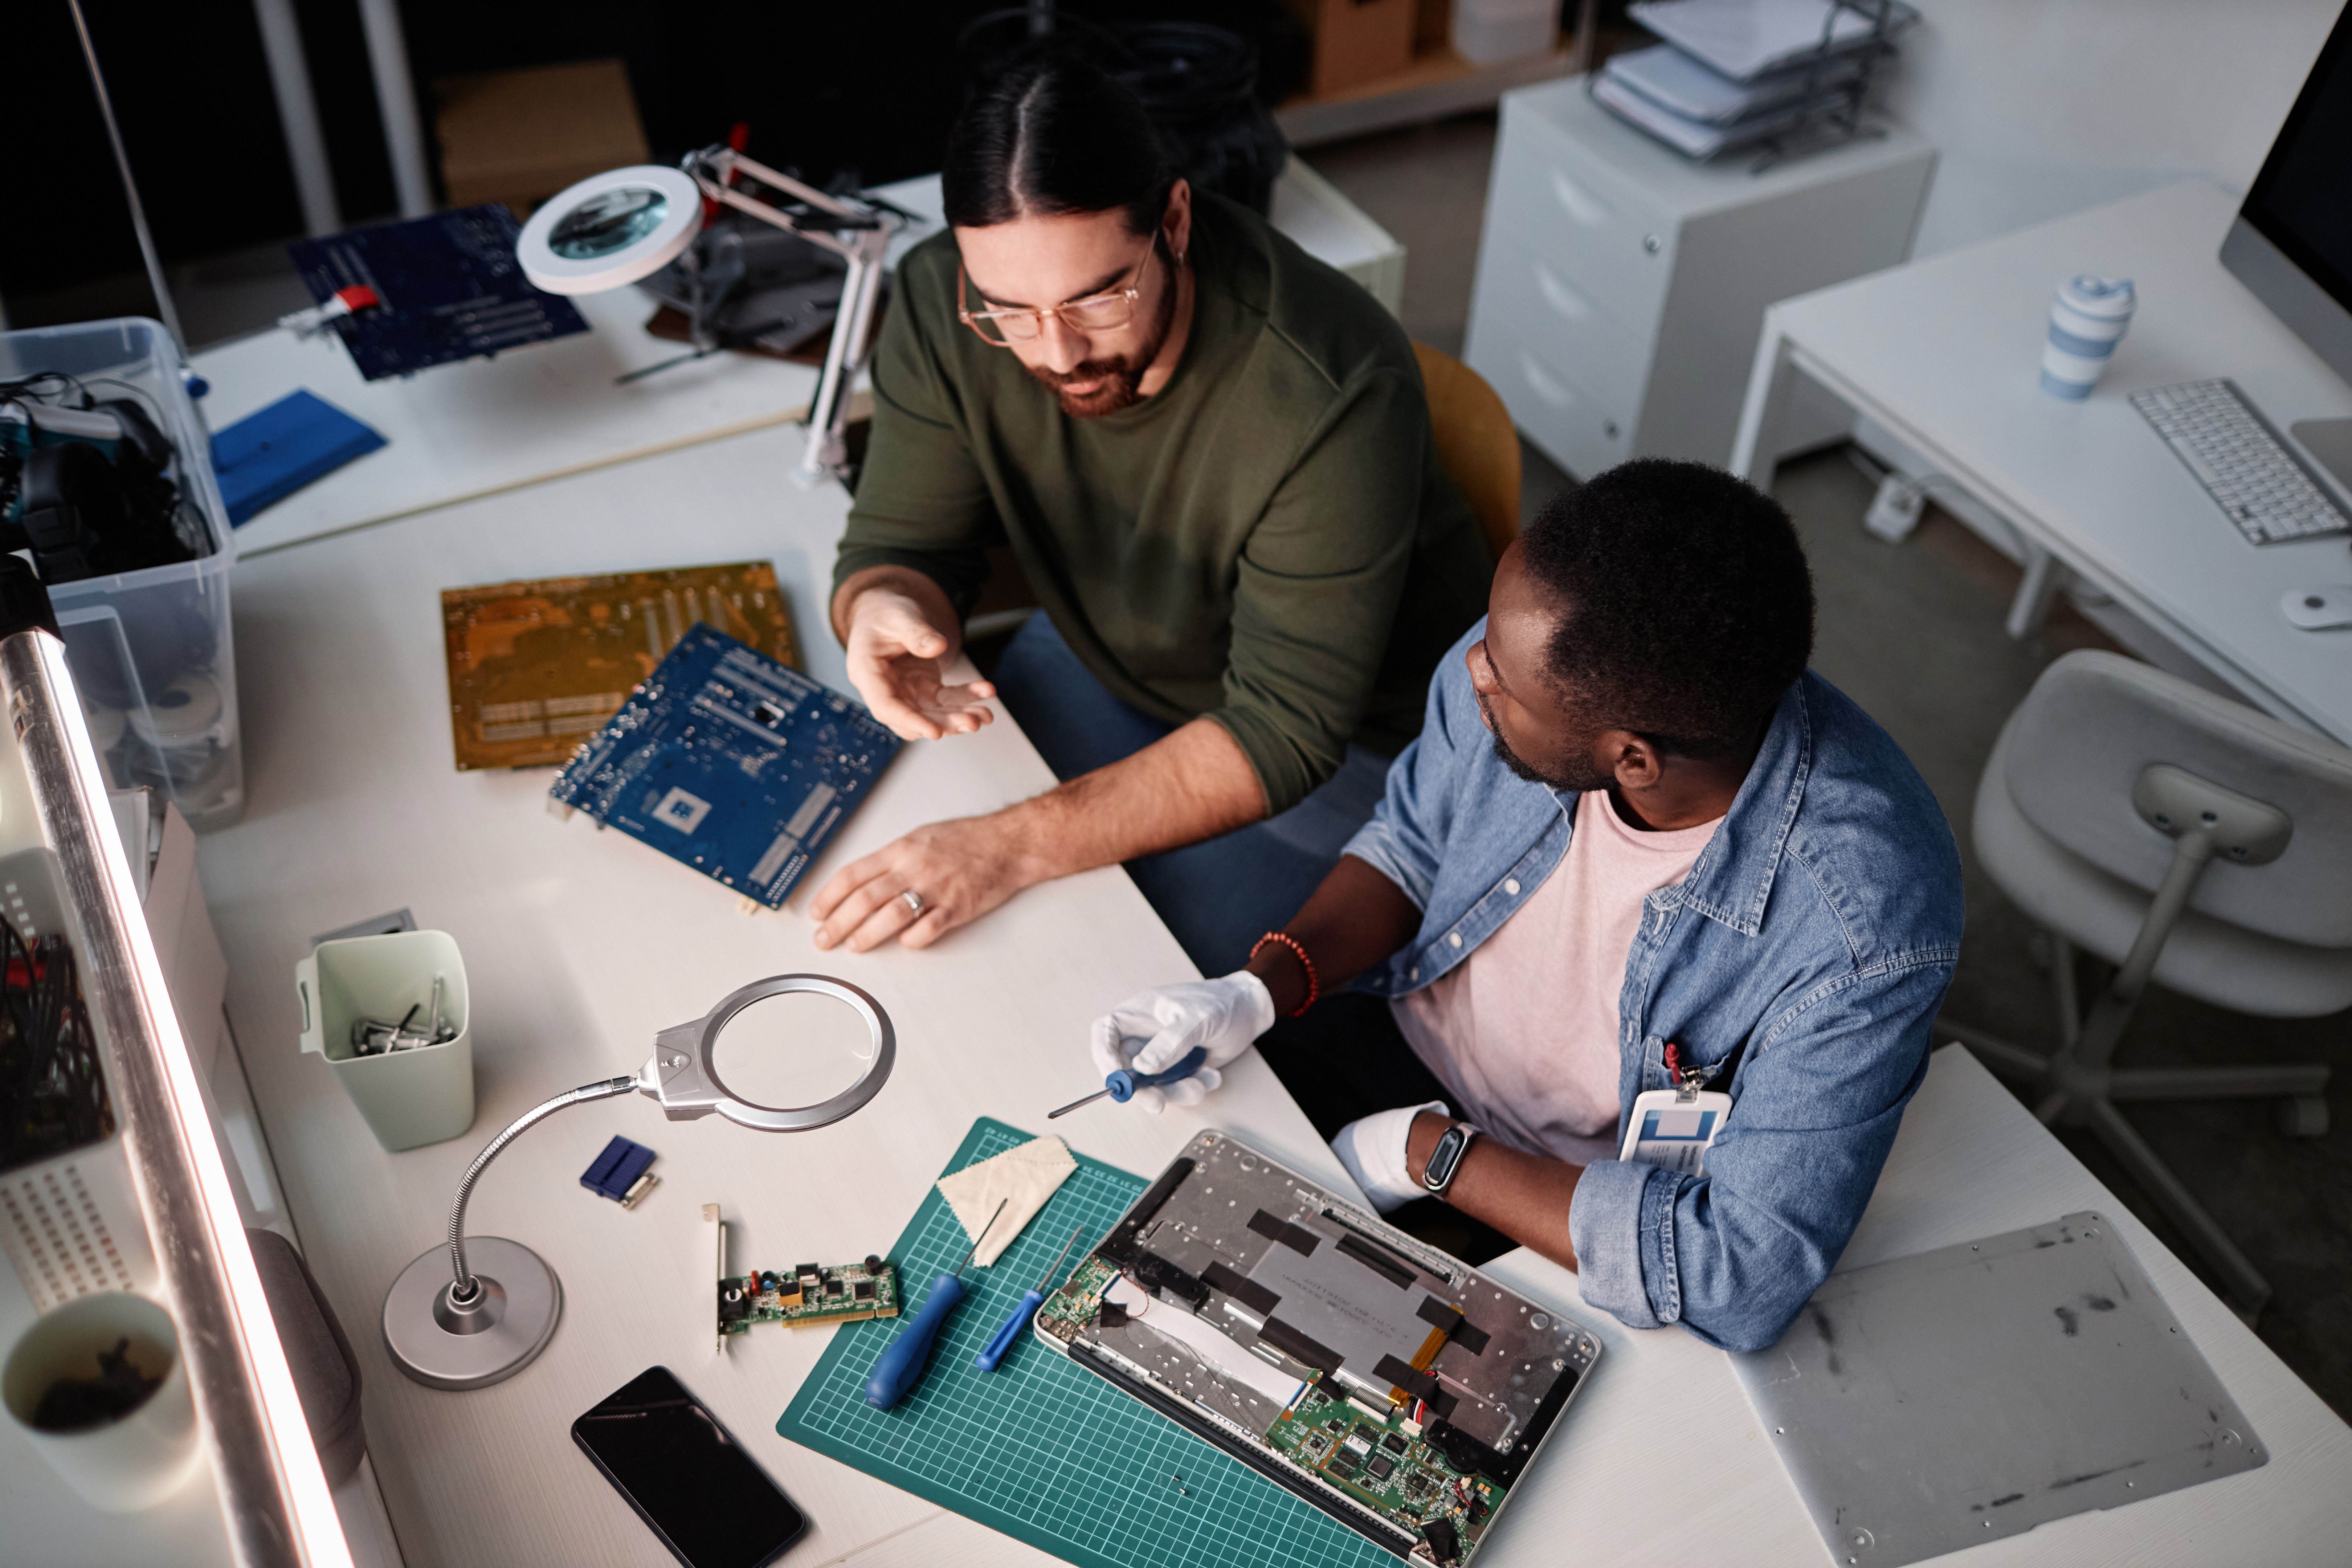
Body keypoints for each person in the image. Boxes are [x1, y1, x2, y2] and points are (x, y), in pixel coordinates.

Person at [1087, 460, 1965, 1352]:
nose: (1475, 667)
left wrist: (1431, 1156)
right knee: (1133, 1231)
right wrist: (1260, 989)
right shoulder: (1536, 649)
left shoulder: (1867, 931)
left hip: (1556, 1204)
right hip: (1397, 1036)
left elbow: (1736, 1273)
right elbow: (1412, 846)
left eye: (1502, 680)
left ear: (1633, 761)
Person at [809, 54, 1491, 973]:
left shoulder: (1330, 391)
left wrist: (1008, 845)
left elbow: (1283, 731)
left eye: (1097, 295)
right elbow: (902, 540)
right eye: (1009, 310)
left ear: (1173, 219)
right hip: (1117, 656)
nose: (1055, 353)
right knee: (903, 891)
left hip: (1355, 762)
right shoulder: (947, 296)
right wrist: (883, 605)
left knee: (1099, 972)